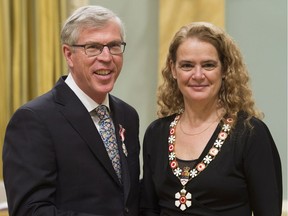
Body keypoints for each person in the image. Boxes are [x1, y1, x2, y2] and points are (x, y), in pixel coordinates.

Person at [3, 5, 140, 216]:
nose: (106, 57)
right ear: (68, 54)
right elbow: (29, 211)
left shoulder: (127, 116)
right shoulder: (34, 120)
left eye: (114, 46)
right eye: (93, 47)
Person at [140, 22, 282, 216]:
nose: (198, 75)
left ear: (224, 70)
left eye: (208, 65)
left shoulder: (250, 133)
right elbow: (148, 208)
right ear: (173, 70)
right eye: (187, 65)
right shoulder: (156, 133)